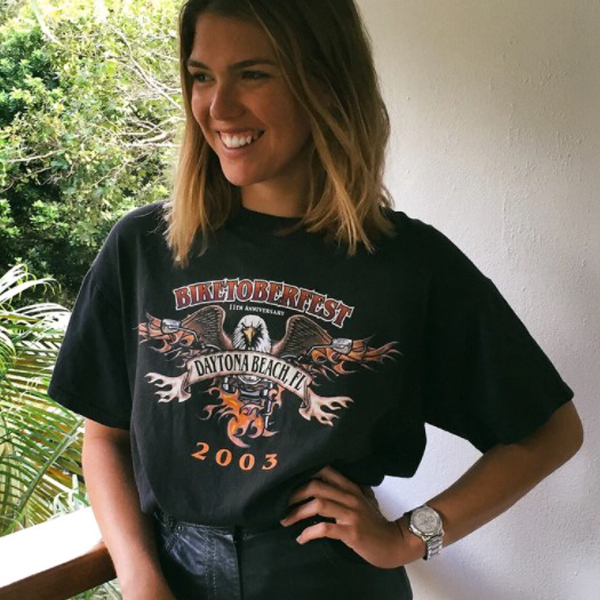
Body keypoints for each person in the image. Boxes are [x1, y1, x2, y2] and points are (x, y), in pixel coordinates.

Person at [48, 1, 583, 599]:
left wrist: (411, 536)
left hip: (326, 579)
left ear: (325, 82)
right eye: (201, 76)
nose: (218, 108)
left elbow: (550, 431)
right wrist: (140, 577)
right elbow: (106, 436)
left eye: (253, 73)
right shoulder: (146, 246)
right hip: (172, 572)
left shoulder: (407, 264)